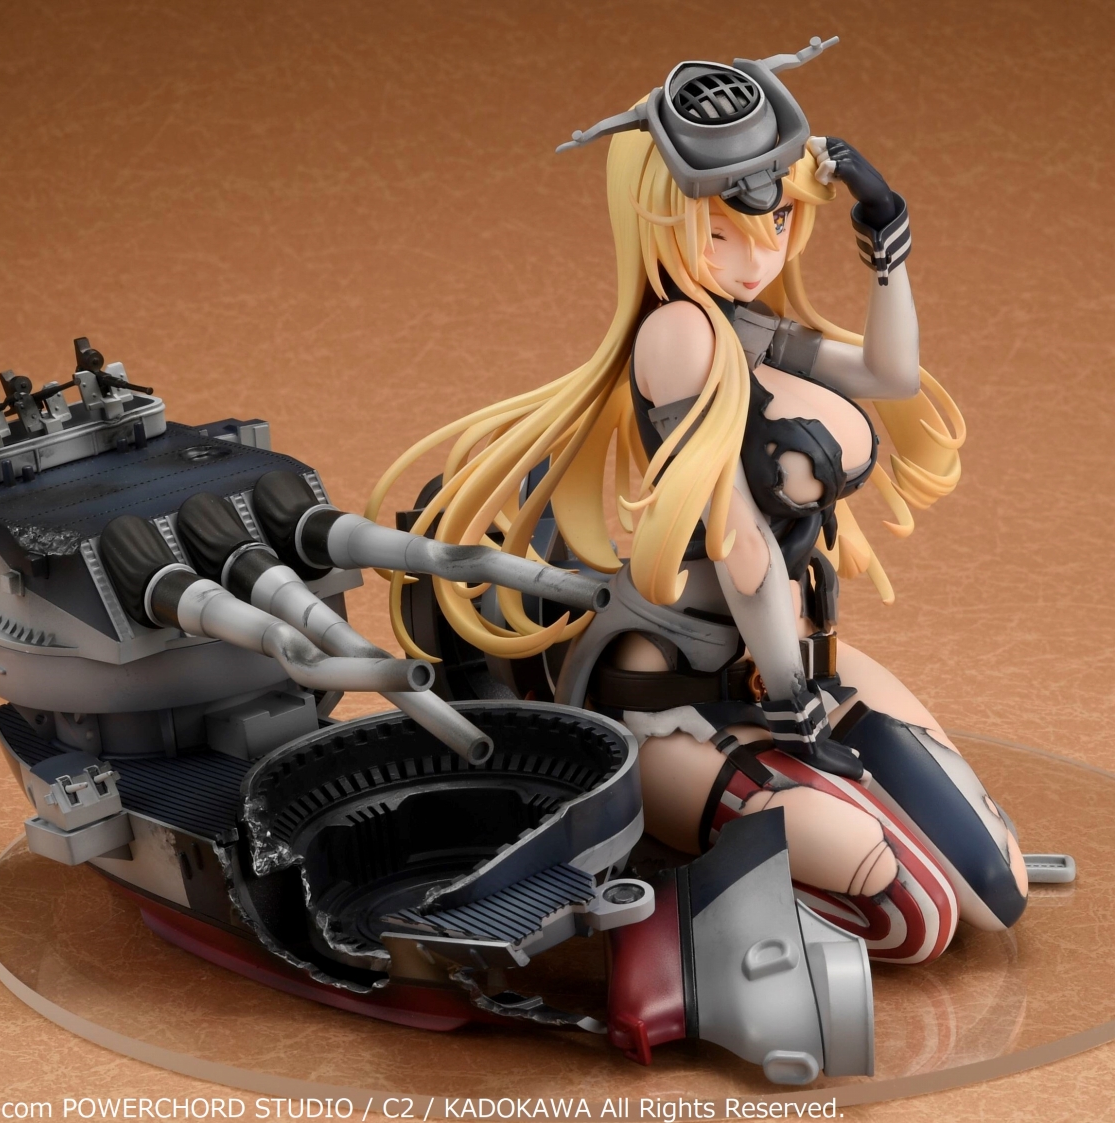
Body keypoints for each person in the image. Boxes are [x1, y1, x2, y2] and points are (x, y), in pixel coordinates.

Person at [366, 46, 1027, 964]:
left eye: (776, 222)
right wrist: (791, 702)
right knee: (913, 911)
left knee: (997, 883)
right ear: (660, 222)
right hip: (666, 694)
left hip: (782, 660)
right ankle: (685, 896)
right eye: (721, 234)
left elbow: (890, 374)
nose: (758, 257)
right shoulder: (677, 337)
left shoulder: (741, 324)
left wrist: (886, 239)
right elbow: (740, 543)